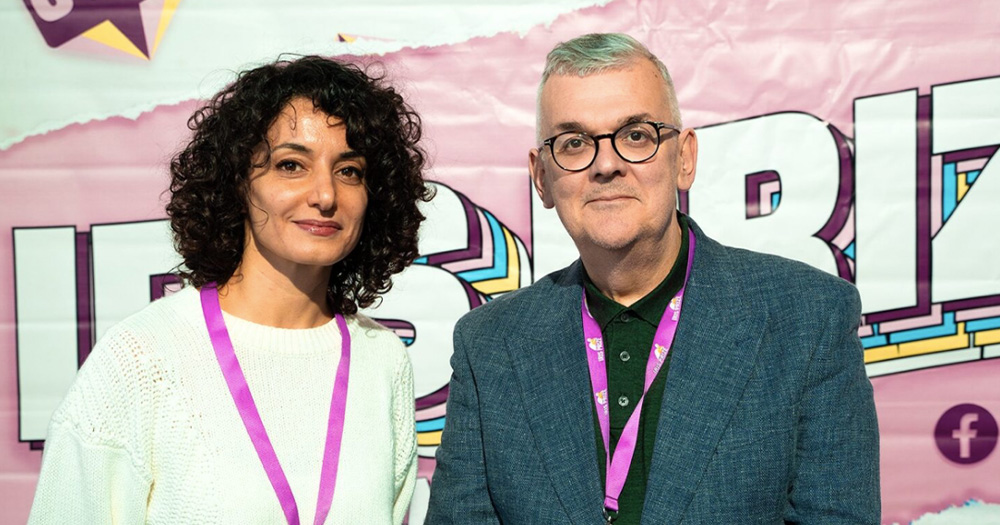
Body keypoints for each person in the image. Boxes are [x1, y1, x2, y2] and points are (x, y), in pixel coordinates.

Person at [426, 33, 880, 524]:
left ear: (684, 158)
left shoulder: (807, 318)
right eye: (574, 143)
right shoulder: (489, 344)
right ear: (541, 178)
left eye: (636, 135)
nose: (606, 165)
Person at [29, 56, 431, 524]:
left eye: (349, 171)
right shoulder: (141, 358)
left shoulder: (382, 360)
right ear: (239, 182)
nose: (325, 195)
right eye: (291, 165)